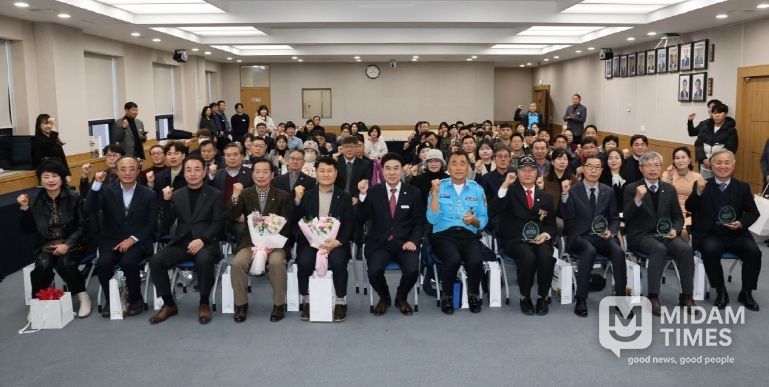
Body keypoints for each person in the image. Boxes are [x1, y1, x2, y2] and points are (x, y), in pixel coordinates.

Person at [148, 155, 224, 324]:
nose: (192, 173)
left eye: (197, 169)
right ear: (184, 172)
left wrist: (202, 240)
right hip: (182, 243)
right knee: (156, 261)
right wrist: (166, 202)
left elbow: (218, 222)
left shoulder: (215, 194)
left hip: (206, 243)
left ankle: (204, 303)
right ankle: (169, 304)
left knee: (204, 260)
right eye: (188, 170)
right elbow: (166, 224)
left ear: (204, 172)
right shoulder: (177, 194)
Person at [686, 149, 761, 311]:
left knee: (754, 251)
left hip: (736, 233)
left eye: (727, 162)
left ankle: (746, 292)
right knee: (710, 249)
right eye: (718, 163)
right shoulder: (701, 184)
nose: (723, 166)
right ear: (711, 165)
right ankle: (720, 291)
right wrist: (698, 192)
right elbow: (689, 207)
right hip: (710, 234)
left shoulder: (742, 187)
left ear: (733, 165)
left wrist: (741, 223)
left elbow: (754, 212)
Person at [623, 151, 695, 316]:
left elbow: (678, 216)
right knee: (659, 249)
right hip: (641, 236)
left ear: (661, 168)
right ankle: (653, 296)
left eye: (656, 165)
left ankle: (686, 295)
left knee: (685, 249)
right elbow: (627, 216)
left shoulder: (669, 189)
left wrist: (675, 229)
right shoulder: (632, 188)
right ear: (641, 168)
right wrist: (637, 199)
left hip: (665, 235)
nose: (653, 169)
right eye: (648, 165)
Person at [85, 156, 157, 318]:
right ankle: (112, 300)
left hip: (138, 241)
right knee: (103, 264)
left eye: (132, 169)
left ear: (138, 171)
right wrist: (96, 184)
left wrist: (132, 239)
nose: (127, 173)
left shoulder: (148, 194)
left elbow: (151, 224)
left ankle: (136, 299)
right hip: (111, 240)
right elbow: (89, 208)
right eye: (123, 169)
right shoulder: (106, 190)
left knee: (128, 262)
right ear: (116, 171)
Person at [18, 159, 91, 319]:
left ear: (62, 178)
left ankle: (82, 295)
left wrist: (67, 244)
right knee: (43, 264)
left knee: (64, 262)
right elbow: (28, 229)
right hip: (46, 246)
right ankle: (37, 301)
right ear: (40, 180)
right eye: (46, 177)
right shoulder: (35, 201)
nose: (50, 180)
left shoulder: (74, 197)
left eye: (54, 176)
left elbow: (82, 226)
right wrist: (24, 209)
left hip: (74, 244)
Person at [355, 153, 425, 316]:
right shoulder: (373, 192)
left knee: (412, 270)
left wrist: (414, 241)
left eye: (396, 168)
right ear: (381, 171)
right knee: (374, 271)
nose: (392, 172)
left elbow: (419, 221)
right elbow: (361, 217)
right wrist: (363, 195)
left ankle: (401, 297)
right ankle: (384, 297)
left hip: (405, 242)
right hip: (380, 243)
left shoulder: (413, 192)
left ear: (402, 171)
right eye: (387, 168)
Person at [227, 157, 293, 323]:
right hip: (250, 242)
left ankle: (278, 305)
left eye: (265, 172)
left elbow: (287, 224)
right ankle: (241, 305)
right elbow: (233, 215)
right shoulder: (245, 194)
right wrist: (234, 196)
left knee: (277, 263)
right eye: (257, 172)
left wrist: (272, 243)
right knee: (237, 263)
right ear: (252, 174)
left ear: (272, 175)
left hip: (275, 244)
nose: (261, 175)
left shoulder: (283, 195)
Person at [560, 156, 625, 317]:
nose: (594, 170)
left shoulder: (607, 191)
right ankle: (581, 297)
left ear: (602, 171)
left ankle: (621, 299)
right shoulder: (573, 189)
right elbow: (566, 215)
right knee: (588, 250)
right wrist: (565, 195)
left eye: (597, 167)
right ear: (583, 168)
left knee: (618, 252)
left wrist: (611, 230)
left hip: (602, 236)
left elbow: (614, 217)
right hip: (580, 236)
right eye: (590, 166)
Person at [426, 151, 488, 314]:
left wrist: (474, 221)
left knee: (475, 261)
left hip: (468, 235)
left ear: (468, 166)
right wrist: (435, 193)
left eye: (462, 163)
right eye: (454, 163)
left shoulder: (477, 189)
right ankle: (447, 296)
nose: (459, 167)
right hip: (443, 236)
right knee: (452, 260)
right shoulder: (438, 186)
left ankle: (473, 295)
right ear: (448, 167)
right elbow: (432, 219)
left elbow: (483, 218)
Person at [493, 156, 556, 316]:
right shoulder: (509, 192)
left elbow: (551, 224)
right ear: (517, 173)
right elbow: (496, 207)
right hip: (516, 239)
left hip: (539, 239)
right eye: (523, 170)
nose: (528, 173)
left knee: (546, 257)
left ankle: (542, 297)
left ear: (537, 172)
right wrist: (506, 184)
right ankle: (525, 297)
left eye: (531, 170)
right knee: (528, 257)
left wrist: (546, 235)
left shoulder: (546, 197)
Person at [294, 156, 354, 322]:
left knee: (339, 261)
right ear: (316, 173)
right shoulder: (307, 196)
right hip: (311, 242)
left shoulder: (345, 197)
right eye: (322, 171)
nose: (326, 174)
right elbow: (301, 220)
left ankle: (341, 300)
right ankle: (307, 299)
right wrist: (297, 201)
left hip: (336, 244)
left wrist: (338, 241)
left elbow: (349, 225)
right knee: (304, 261)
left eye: (330, 171)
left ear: (336, 174)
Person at [208, 143, 253, 237]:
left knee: (243, 232)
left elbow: (254, 198)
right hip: (220, 217)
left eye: (235, 154)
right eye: (228, 155)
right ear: (224, 158)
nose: (232, 158)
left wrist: (247, 215)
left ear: (242, 156)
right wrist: (211, 176)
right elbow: (208, 193)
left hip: (239, 218)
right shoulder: (218, 173)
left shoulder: (250, 174)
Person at [660, 147, 702, 243]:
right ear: (674, 161)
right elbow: (663, 195)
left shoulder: (697, 176)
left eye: (683, 157)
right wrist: (670, 178)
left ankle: (687, 253)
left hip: (689, 213)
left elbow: (700, 199)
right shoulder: (667, 174)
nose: (680, 160)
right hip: (671, 211)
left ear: (689, 160)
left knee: (683, 231)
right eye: (677, 158)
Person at [694, 103, 738, 179]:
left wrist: (712, 160)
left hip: (721, 166)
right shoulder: (705, 127)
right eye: (714, 113)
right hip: (704, 165)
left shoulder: (731, 130)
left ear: (725, 113)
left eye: (720, 113)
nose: (717, 115)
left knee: (720, 187)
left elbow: (730, 149)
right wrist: (703, 158)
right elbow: (698, 144)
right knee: (705, 186)